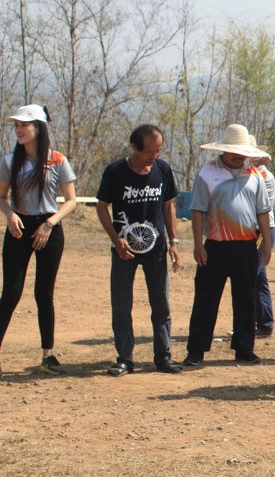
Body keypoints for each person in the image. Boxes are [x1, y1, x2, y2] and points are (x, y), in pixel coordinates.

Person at [95, 124, 183, 376]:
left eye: (159, 150)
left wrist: (174, 241)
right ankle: (124, 358)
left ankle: (163, 357)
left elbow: (168, 206)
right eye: (150, 151)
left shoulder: (163, 169)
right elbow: (101, 207)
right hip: (124, 250)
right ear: (134, 147)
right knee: (122, 305)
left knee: (161, 304)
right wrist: (116, 240)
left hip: (156, 249)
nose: (155, 156)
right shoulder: (115, 172)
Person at [183, 124, 272, 366]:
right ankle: (196, 351)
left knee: (246, 299)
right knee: (206, 298)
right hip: (216, 246)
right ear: (224, 150)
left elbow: (263, 211)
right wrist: (198, 244)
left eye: (243, 152)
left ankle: (244, 349)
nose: (239, 157)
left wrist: (267, 244)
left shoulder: (255, 174)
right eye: (235, 152)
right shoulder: (207, 173)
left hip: (247, 246)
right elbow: (198, 210)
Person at [0, 104, 78, 376]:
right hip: (18, 229)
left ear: (39, 128)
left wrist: (49, 224)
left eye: (25, 125)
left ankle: (47, 355)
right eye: (17, 126)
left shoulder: (57, 160)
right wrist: (10, 215)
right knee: (10, 293)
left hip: (49, 229)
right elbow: (1, 197)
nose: (19, 130)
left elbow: (71, 201)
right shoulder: (9, 161)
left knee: (44, 294)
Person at [249, 136, 275, 336]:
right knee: (258, 277)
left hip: (261, 229)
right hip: (252, 229)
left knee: (252, 276)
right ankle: (263, 322)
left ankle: (257, 322)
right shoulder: (251, 172)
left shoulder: (262, 175)